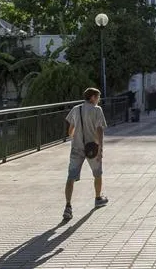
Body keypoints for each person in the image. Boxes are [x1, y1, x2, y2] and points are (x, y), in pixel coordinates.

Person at [63, 88, 109, 220]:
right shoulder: (97, 110)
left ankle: (68, 206)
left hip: (76, 148)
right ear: (93, 97)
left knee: (71, 177)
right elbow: (99, 130)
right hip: (92, 149)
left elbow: (70, 129)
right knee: (97, 173)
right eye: (98, 97)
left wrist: (74, 137)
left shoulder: (75, 109)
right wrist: (100, 149)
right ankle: (97, 198)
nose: (98, 100)